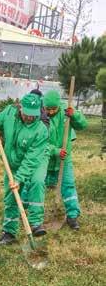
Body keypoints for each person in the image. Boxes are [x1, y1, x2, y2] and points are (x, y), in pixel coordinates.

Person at [0, 94, 49, 245]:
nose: (30, 118)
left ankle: (35, 223)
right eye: (27, 114)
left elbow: (31, 159)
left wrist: (19, 179)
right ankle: (9, 233)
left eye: (33, 115)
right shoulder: (10, 112)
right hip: (12, 162)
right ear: (21, 108)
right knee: (11, 195)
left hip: (35, 161)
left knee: (36, 182)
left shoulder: (41, 129)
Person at [43, 90, 88, 230]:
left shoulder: (66, 111)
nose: (50, 112)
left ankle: (72, 216)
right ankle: (30, 214)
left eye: (53, 109)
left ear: (58, 105)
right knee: (34, 185)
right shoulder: (39, 116)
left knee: (68, 186)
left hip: (64, 158)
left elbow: (83, 125)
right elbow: (38, 142)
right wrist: (55, 151)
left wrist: (74, 115)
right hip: (44, 158)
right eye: (47, 109)